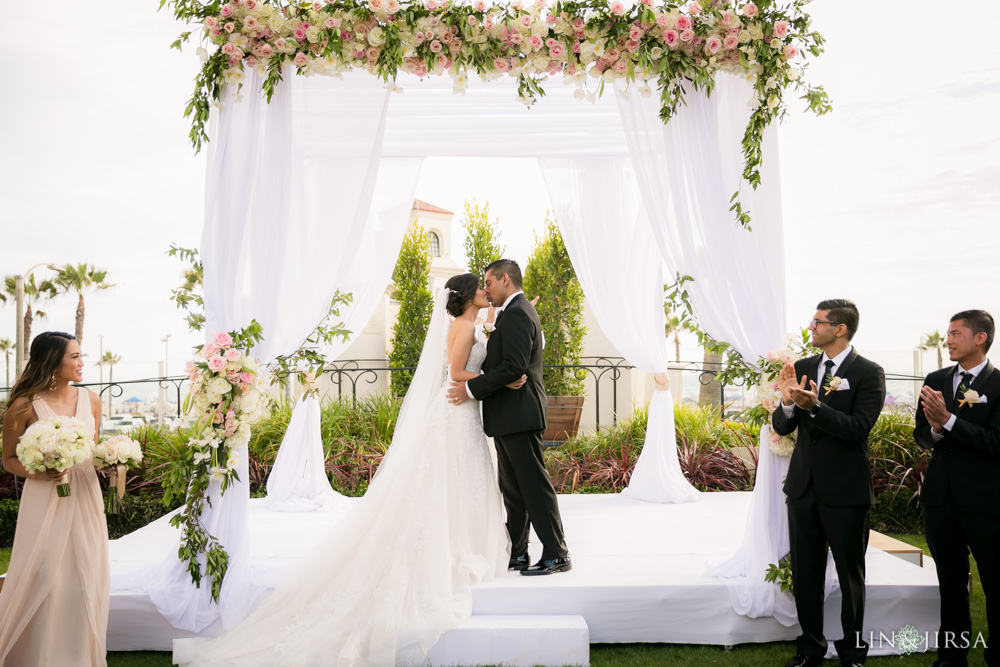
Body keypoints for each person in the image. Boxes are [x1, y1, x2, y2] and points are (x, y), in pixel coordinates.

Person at [174, 275, 516, 667]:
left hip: (463, 413)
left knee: (459, 481)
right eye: (479, 287)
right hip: (457, 411)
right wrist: (498, 382)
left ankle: (462, 542)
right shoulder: (463, 327)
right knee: (448, 481)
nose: (483, 291)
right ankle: (453, 548)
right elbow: (456, 374)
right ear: (466, 295)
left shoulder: (471, 324)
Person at [773, 299, 886, 667]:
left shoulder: (870, 372)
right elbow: (782, 425)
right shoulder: (803, 367)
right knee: (806, 573)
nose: (811, 327)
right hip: (803, 488)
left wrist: (816, 407)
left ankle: (852, 653)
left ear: (840, 329)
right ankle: (810, 649)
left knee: (851, 575)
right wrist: (789, 403)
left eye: (818, 322)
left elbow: (857, 430)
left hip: (846, 491)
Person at [447, 258, 571, 576]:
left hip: (520, 414)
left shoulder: (517, 312)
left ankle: (557, 553)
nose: (485, 289)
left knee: (534, 486)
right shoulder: (510, 313)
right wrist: (497, 373)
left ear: (504, 280)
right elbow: (504, 364)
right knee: (513, 490)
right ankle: (517, 553)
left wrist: (471, 390)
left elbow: (515, 365)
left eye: (487, 282)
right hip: (507, 414)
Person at [0, 331, 108, 667]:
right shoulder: (23, 405)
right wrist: (40, 472)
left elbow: (92, 449)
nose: (81, 363)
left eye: (80, 355)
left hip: (85, 495)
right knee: (42, 569)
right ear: (52, 360)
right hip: (44, 496)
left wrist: (114, 460)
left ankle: (78, 654)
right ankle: (30, 654)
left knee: (86, 570)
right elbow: (9, 460)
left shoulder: (91, 399)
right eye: (74, 356)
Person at [915, 310, 999, 667]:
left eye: (955, 333)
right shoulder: (935, 378)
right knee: (949, 584)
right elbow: (922, 436)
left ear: (980, 338)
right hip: (940, 500)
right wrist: (934, 428)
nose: (948, 339)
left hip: (986, 503)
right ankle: (952, 657)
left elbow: (995, 443)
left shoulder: (999, 385)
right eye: (947, 334)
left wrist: (948, 421)